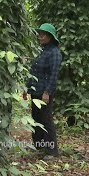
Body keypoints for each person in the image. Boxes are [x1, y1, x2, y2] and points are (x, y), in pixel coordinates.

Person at [23, 23, 62, 158]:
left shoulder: (54, 53)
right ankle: (39, 146)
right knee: (36, 119)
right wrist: (26, 89)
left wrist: (47, 92)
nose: (40, 36)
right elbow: (33, 72)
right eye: (39, 34)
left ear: (51, 37)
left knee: (46, 120)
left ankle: (52, 150)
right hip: (35, 91)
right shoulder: (40, 51)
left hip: (45, 92)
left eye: (43, 34)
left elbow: (54, 75)